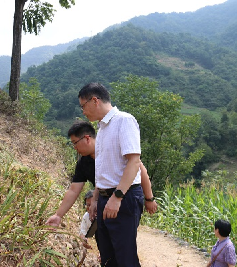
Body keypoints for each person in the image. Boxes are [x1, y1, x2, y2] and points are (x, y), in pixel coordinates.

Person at [78, 82, 145, 267]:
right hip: (106, 199)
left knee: (125, 257)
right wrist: (96, 199)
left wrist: (117, 197)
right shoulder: (102, 128)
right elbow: (104, 170)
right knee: (108, 257)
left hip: (123, 197)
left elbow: (134, 161)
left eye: (83, 106)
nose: (83, 111)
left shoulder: (123, 121)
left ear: (94, 100)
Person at [45, 121, 156, 228]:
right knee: (105, 244)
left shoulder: (112, 149)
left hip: (126, 199)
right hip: (103, 202)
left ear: (87, 138)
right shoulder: (84, 163)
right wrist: (58, 215)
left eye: (75, 143)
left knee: (122, 243)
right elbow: (74, 190)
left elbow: (139, 168)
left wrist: (149, 198)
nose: (74, 147)